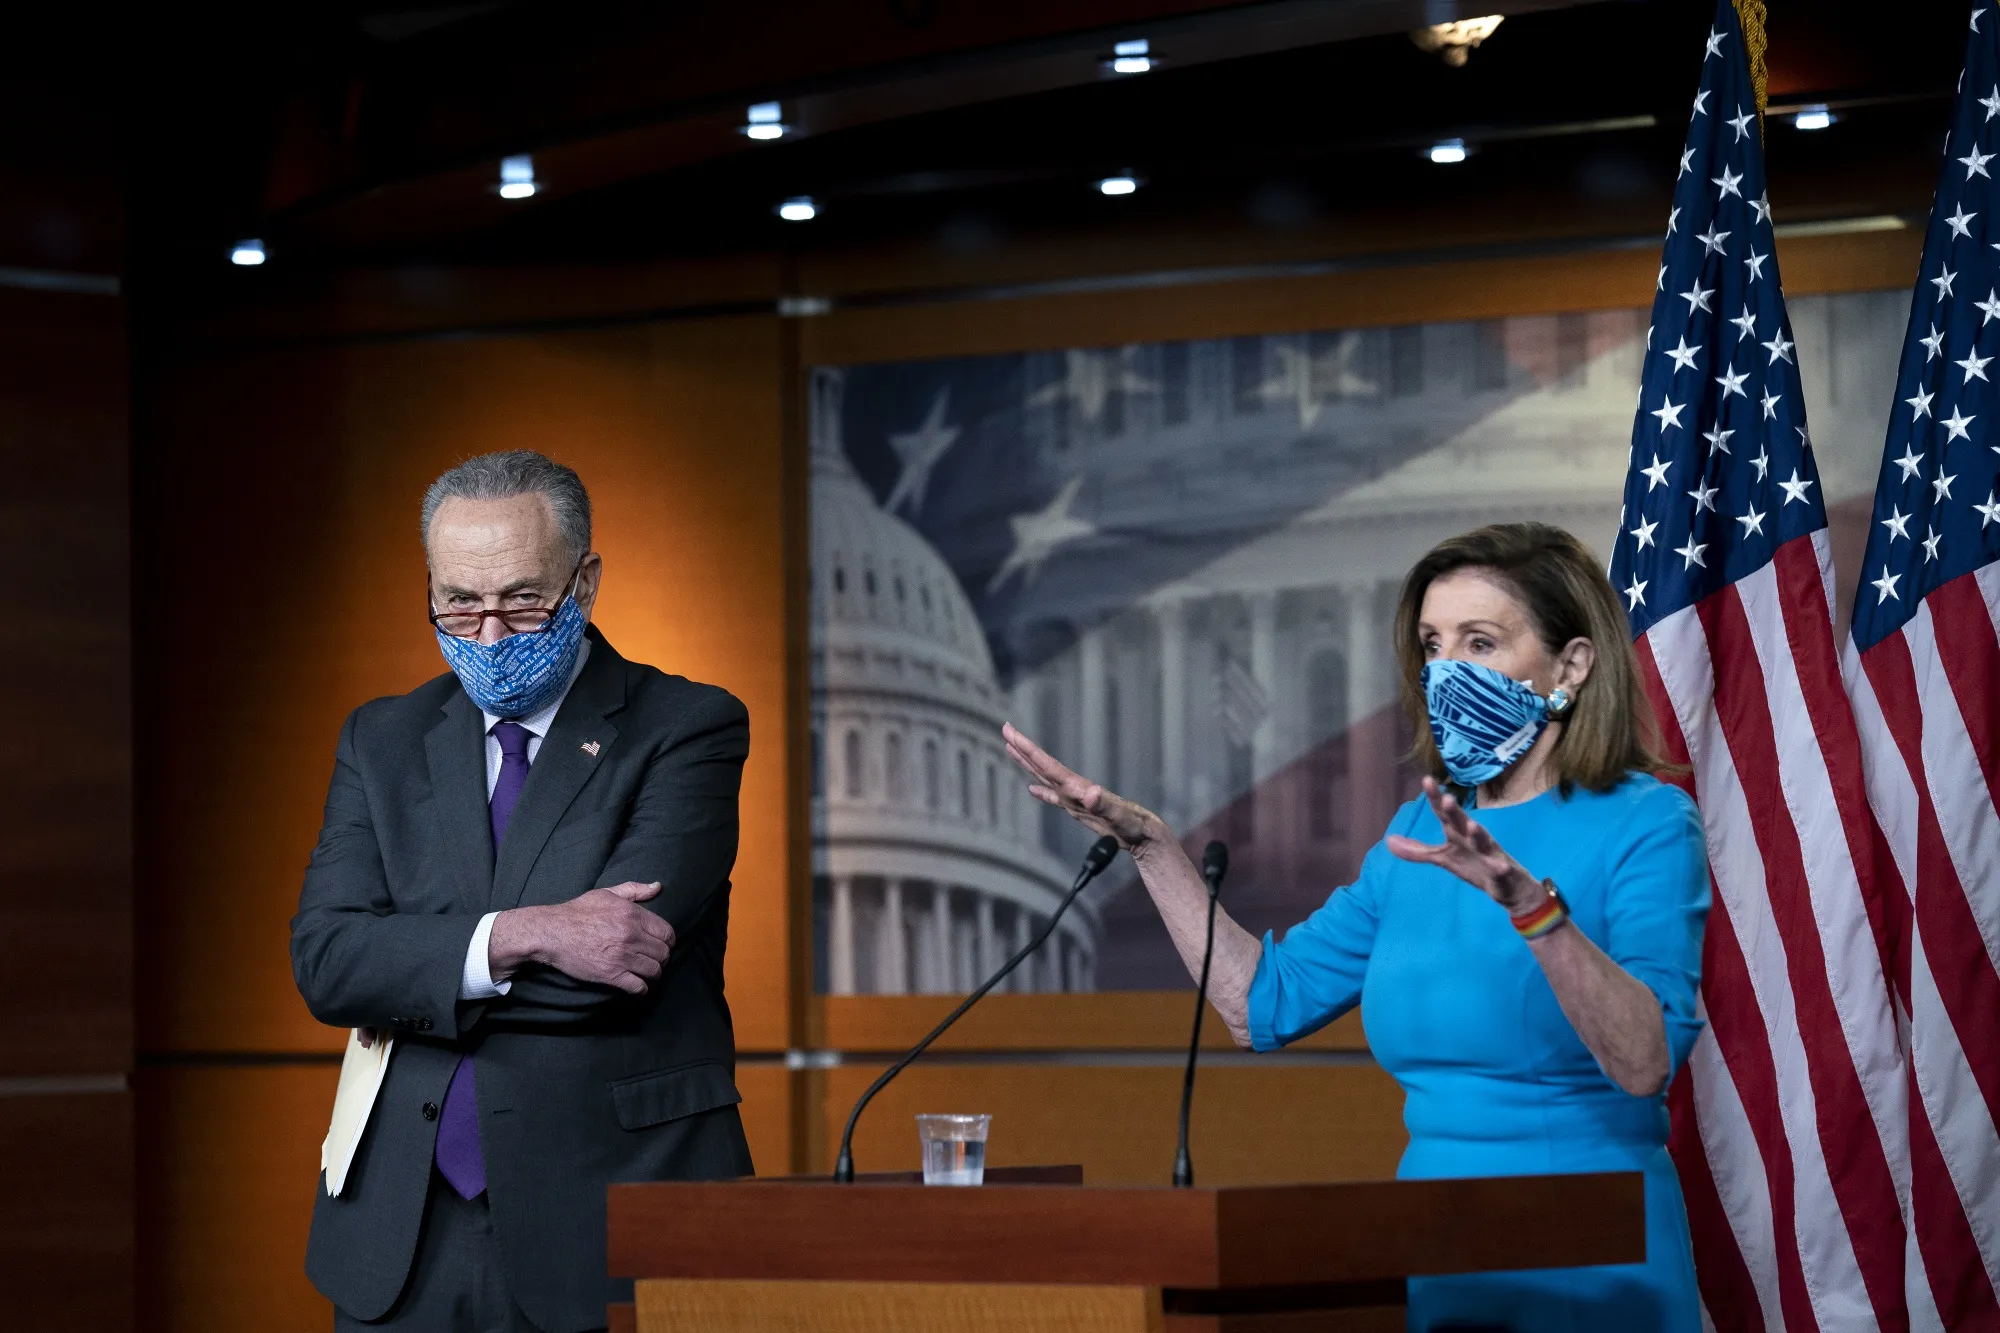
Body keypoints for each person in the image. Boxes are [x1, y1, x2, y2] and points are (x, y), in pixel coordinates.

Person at [1005, 521, 1707, 1333]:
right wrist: (1150, 844)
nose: (1447, 671)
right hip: (1438, 1254)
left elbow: (1644, 1061)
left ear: (1572, 665)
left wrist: (1532, 909)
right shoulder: (1419, 830)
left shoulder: (1648, 822)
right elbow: (1259, 1003)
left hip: (1594, 1256)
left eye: (1481, 641)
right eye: (1432, 644)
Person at [291, 450, 754, 1333]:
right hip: (402, 1236)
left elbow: (609, 968)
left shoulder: (687, 727)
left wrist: (418, 964)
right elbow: (327, 963)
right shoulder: (382, 738)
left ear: (586, 579)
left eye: (522, 598)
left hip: (614, 1215)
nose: (490, 633)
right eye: (459, 601)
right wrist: (525, 933)